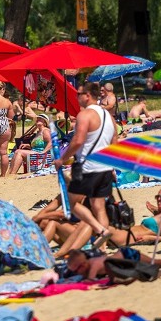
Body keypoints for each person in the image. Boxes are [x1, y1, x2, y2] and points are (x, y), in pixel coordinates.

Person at [52, 82, 115, 256]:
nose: (77, 97)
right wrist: (113, 167)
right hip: (105, 166)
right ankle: (103, 246)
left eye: (79, 93)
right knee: (99, 207)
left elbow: (78, 140)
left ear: (88, 95)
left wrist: (62, 159)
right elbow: (114, 141)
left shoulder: (85, 115)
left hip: (88, 166)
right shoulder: (108, 116)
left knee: (71, 203)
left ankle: (100, 230)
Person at [66, 248, 161, 280]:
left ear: (82, 265)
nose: (76, 273)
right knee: (153, 263)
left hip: (127, 256)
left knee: (154, 262)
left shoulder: (94, 265)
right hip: (123, 257)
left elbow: (90, 280)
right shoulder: (88, 265)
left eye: (76, 270)